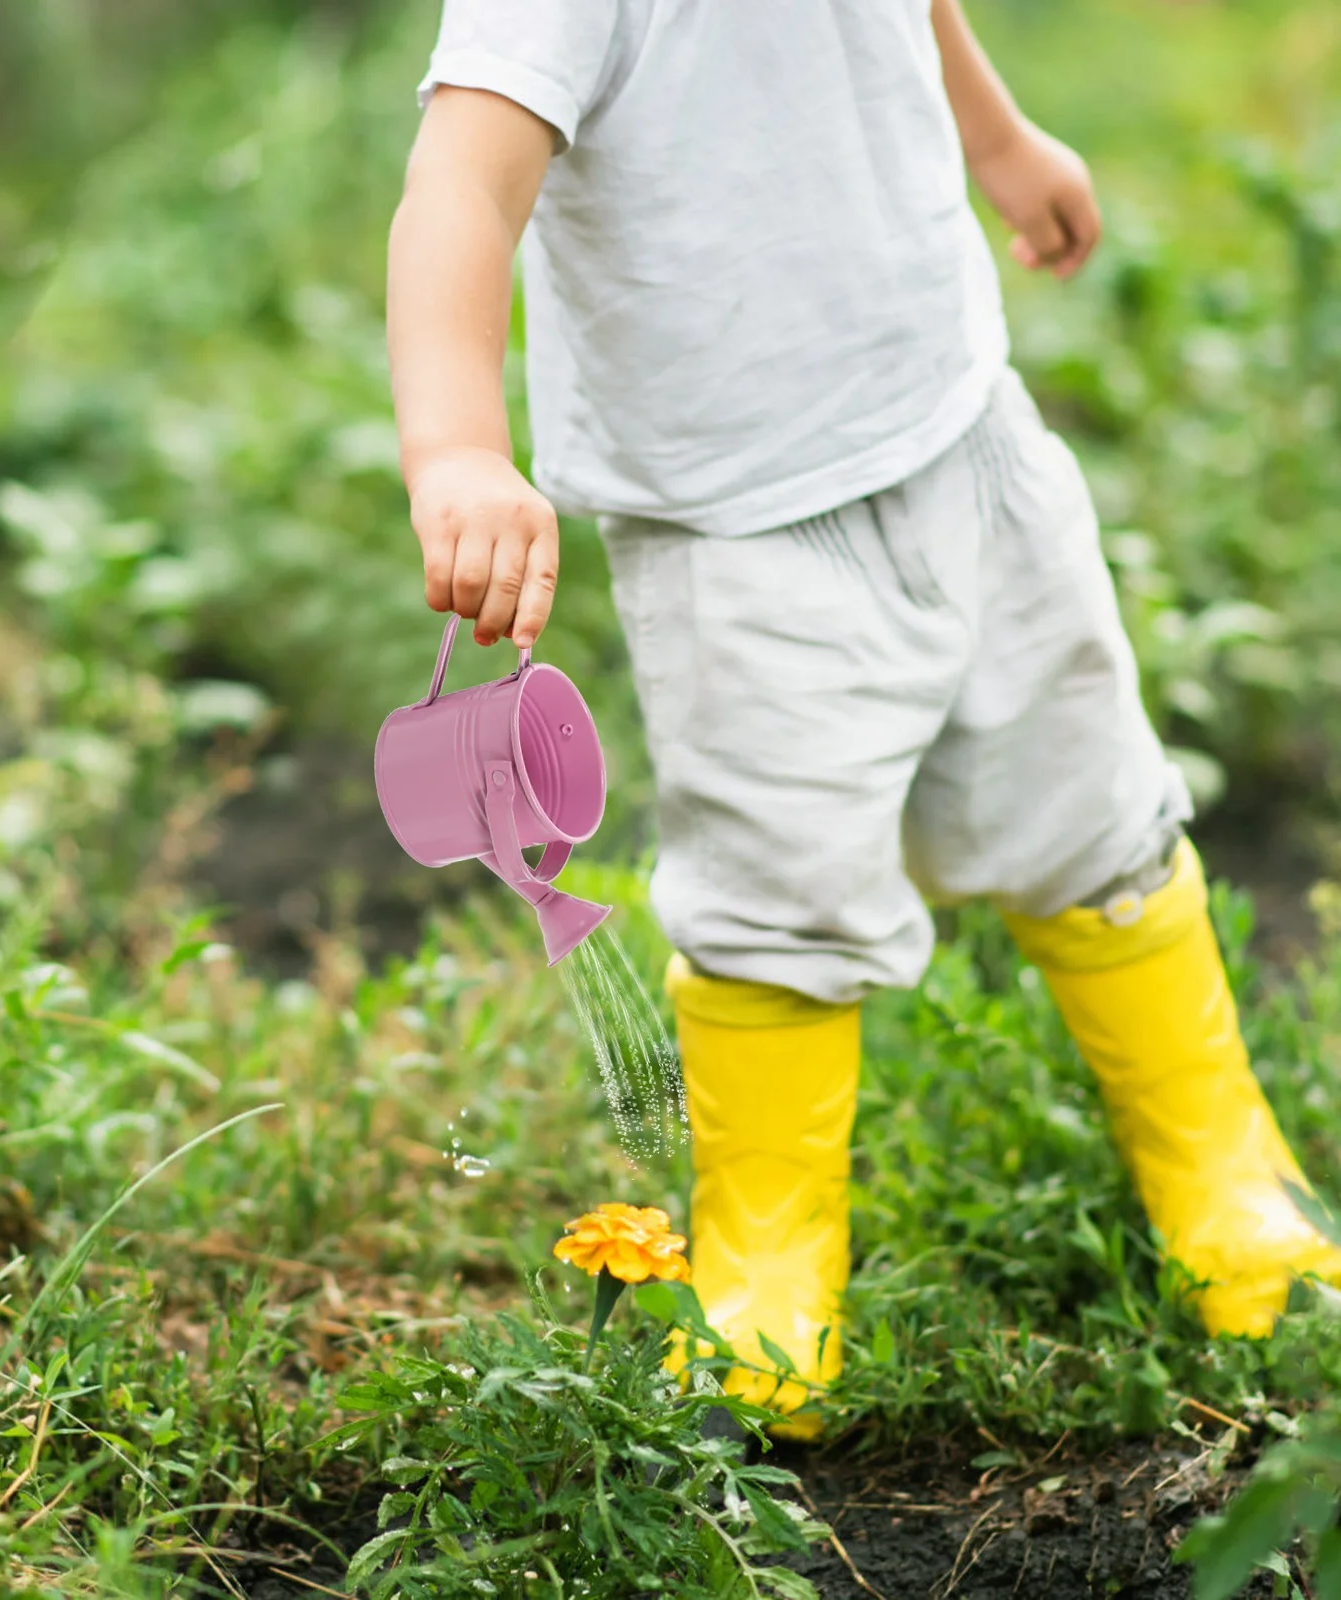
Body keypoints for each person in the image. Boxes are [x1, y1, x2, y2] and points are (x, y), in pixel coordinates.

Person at [386, 0, 1341, 1435]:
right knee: (778, 878)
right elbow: (462, 177)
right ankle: (770, 1257)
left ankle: (1218, 1162)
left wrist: (999, 136)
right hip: (738, 521)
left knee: (1089, 793)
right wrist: (457, 445)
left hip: (963, 423)